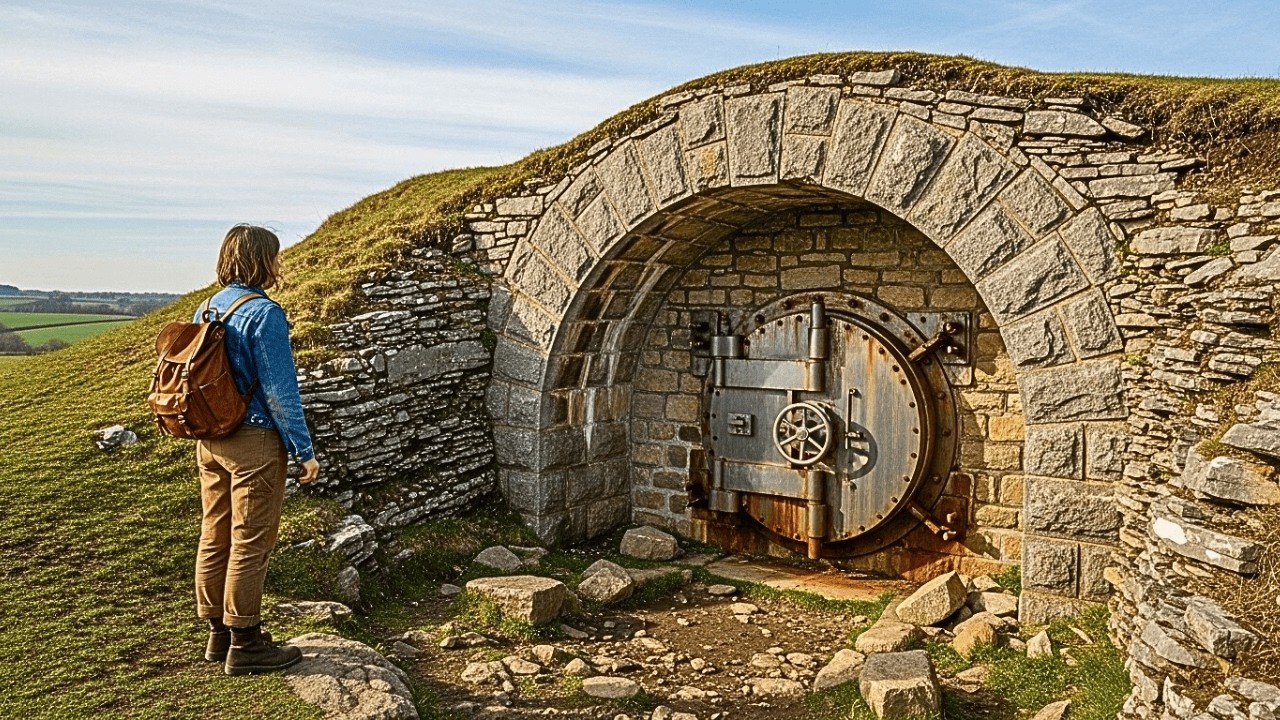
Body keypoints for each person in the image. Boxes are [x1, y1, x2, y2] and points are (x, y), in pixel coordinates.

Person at [193, 224, 320, 676]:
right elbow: (280, 392)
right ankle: (246, 643)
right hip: (253, 439)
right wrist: (304, 450)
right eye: (275, 256)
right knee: (250, 539)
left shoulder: (208, 307)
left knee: (215, 533)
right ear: (262, 260)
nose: (279, 264)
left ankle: (218, 635)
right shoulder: (264, 313)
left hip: (211, 437)